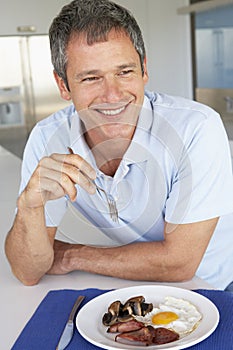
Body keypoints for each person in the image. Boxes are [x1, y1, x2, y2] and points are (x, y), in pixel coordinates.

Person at [4, 0, 233, 291]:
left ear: (144, 70)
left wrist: (74, 255)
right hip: (141, 288)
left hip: (217, 287)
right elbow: (27, 272)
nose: (113, 95)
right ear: (63, 86)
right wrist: (29, 206)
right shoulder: (49, 138)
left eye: (124, 72)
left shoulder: (196, 128)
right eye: (91, 78)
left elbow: (180, 263)